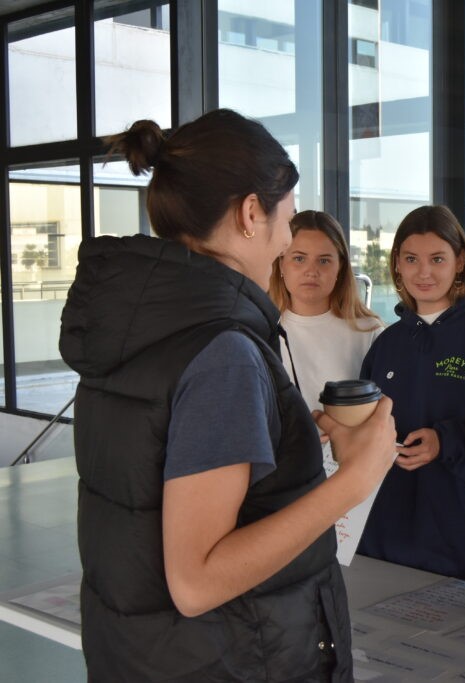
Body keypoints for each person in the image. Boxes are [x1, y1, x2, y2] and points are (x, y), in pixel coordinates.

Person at [59, 109, 397, 682]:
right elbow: (197, 581)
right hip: (229, 659)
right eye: (287, 220)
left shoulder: (138, 324)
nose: (288, 242)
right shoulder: (223, 351)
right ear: (249, 214)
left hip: (146, 655)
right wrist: (355, 479)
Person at [357, 204, 465, 587]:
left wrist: (445, 441)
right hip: (384, 539)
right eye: (411, 259)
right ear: (396, 263)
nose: (424, 272)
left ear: (460, 261)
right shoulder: (388, 343)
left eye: (437, 259)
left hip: (462, 542)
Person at [269, 210, 384, 412]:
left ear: (340, 267)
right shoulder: (263, 332)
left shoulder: (369, 332)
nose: (311, 271)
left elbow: (385, 411)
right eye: (299, 258)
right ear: (281, 263)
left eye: (323, 261)